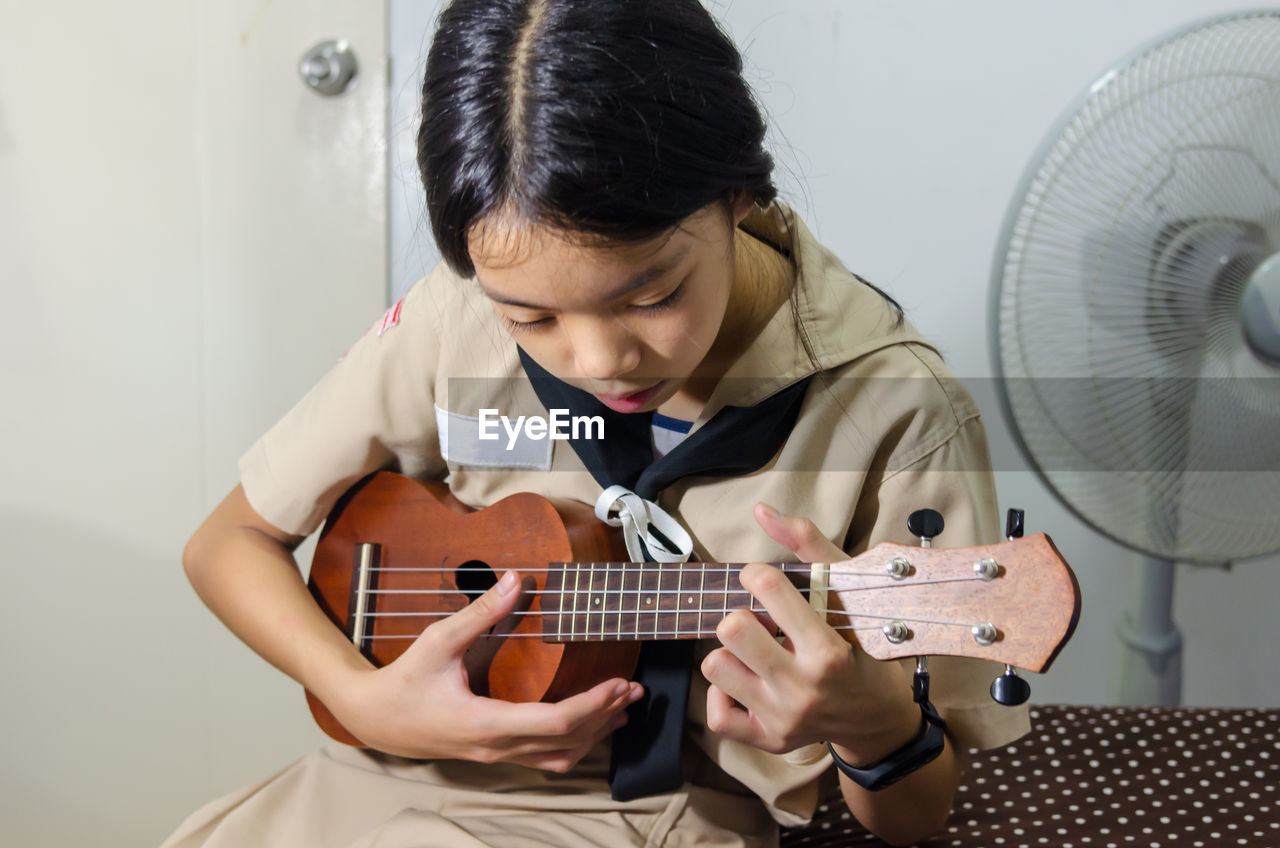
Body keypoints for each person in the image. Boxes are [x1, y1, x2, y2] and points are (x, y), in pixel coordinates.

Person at [164, 1, 1030, 846]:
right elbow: (228, 542)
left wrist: (876, 732)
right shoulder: (453, 318)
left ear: (736, 193)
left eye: (650, 296)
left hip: (657, 807)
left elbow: (916, 816)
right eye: (529, 318)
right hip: (384, 768)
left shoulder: (898, 411)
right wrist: (360, 698)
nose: (599, 360)